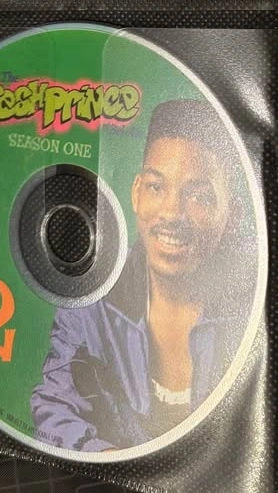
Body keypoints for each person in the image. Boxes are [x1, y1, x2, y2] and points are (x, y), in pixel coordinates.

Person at [31, 99, 254, 452]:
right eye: (155, 187)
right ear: (135, 193)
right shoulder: (91, 300)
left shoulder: (256, 310)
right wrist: (110, 462)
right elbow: (54, 406)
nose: (171, 213)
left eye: (199, 197)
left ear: (233, 216)